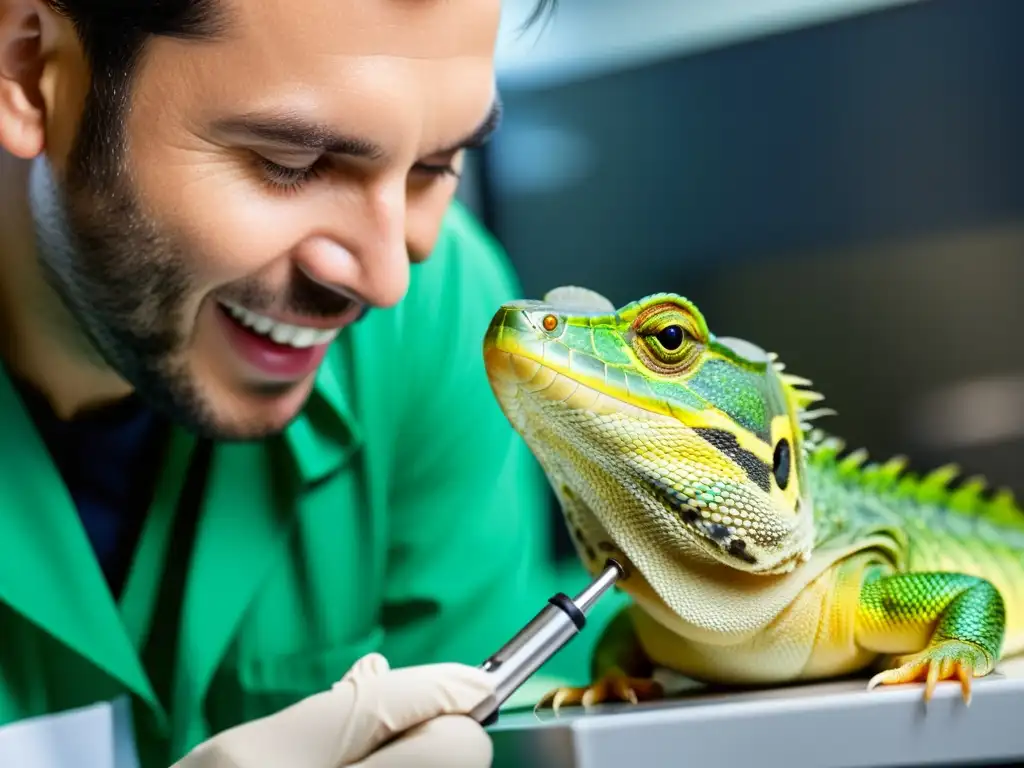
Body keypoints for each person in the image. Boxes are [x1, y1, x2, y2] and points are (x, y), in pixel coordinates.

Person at [0, 0, 621, 765]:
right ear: (28, 69)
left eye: (434, 168)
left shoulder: (439, 309)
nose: (389, 277)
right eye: (292, 167)